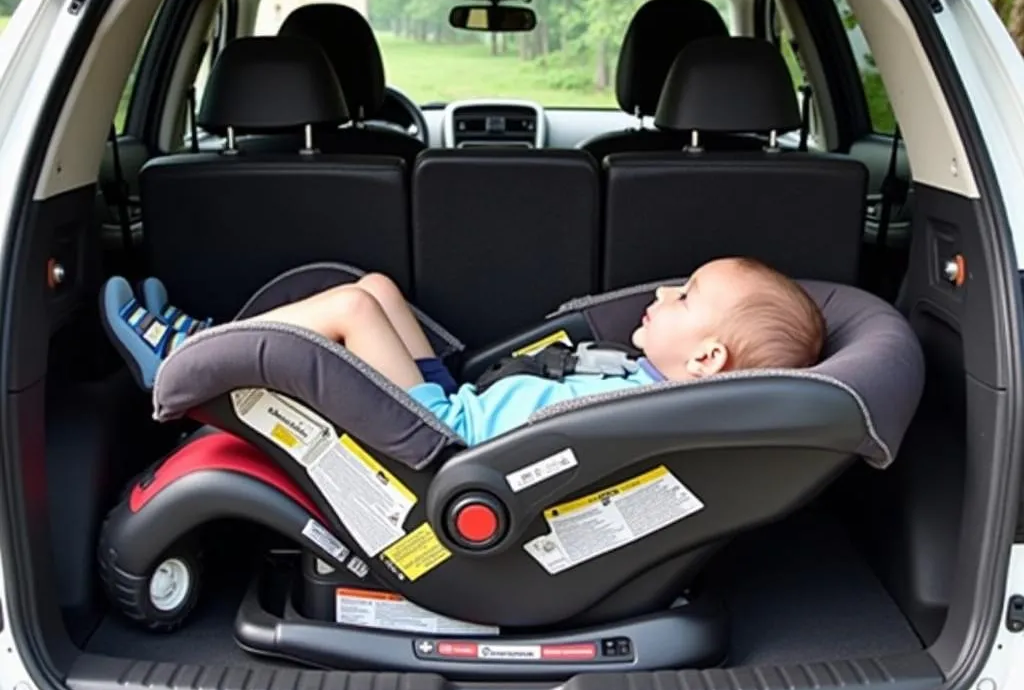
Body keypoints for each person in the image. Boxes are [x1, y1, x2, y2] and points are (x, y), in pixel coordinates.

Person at [102, 257, 825, 446]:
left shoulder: (641, 409)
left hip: (450, 439)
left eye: (687, 296)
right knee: (376, 287)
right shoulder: (649, 384)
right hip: (466, 408)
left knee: (352, 308)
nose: (666, 291)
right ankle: (209, 335)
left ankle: (180, 356)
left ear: (706, 360)